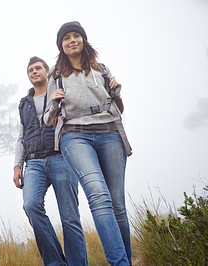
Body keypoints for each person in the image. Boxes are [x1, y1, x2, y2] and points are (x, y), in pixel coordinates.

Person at [44, 21, 132, 265]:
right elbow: (47, 118)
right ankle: (120, 263)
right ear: (61, 46)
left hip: (109, 131)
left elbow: (119, 110)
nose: (72, 40)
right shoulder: (56, 75)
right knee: (98, 196)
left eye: (76, 36)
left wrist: (117, 93)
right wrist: (53, 102)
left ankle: (126, 260)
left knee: (117, 205)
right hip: (74, 135)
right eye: (67, 38)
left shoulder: (101, 69)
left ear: (84, 40)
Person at [13, 56, 88, 265]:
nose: (34, 72)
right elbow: (21, 137)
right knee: (31, 206)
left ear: (47, 71)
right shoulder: (24, 104)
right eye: (30, 70)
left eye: (38, 68)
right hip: (34, 162)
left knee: (70, 217)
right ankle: (55, 262)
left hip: (61, 158)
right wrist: (17, 165)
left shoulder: (60, 93)